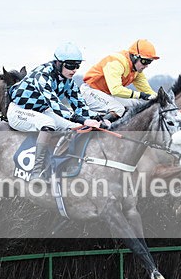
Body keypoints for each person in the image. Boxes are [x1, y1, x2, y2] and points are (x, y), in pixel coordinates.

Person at [7, 42, 106, 181]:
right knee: (48, 123)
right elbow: (55, 105)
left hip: (41, 110)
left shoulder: (68, 81)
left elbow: (80, 106)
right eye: (70, 65)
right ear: (58, 63)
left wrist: (98, 119)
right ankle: (36, 172)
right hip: (19, 111)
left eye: (77, 66)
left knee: (74, 127)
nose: (74, 70)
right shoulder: (42, 75)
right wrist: (83, 119)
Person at [81, 39, 160, 120]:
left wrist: (160, 98)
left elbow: (147, 91)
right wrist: (140, 95)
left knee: (136, 105)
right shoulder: (116, 63)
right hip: (90, 91)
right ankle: (98, 129)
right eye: (144, 61)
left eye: (149, 62)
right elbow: (116, 90)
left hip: (106, 94)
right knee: (118, 109)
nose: (146, 65)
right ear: (134, 57)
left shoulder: (136, 70)